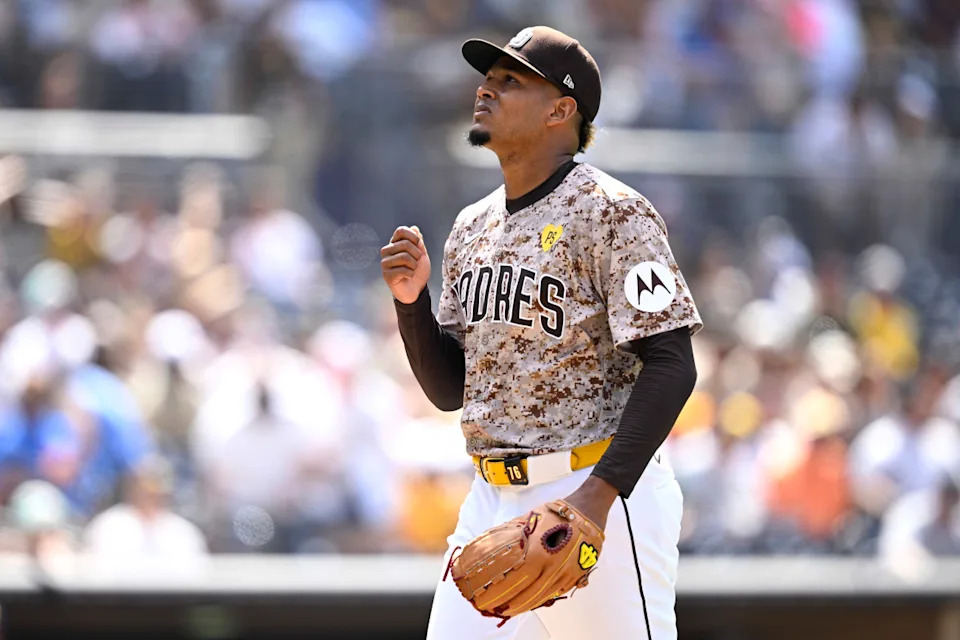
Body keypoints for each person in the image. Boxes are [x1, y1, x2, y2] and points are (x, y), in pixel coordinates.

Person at [381, 26, 701, 640]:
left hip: (593, 486)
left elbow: (672, 362)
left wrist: (598, 498)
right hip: (491, 495)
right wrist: (411, 304)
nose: (486, 89)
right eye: (487, 77)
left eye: (510, 80)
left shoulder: (613, 211)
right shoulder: (472, 225)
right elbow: (454, 390)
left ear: (561, 110)